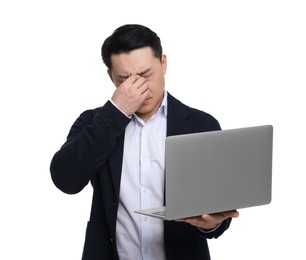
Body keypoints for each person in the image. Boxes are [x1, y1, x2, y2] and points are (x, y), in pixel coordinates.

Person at [50, 24, 239, 260]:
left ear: (164, 64)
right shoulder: (94, 122)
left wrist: (209, 224)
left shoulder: (202, 124)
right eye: (125, 79)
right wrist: (116, 112)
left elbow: (217, 216)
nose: (139, 87)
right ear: (111, 77)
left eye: (146, 75)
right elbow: (66, 180)